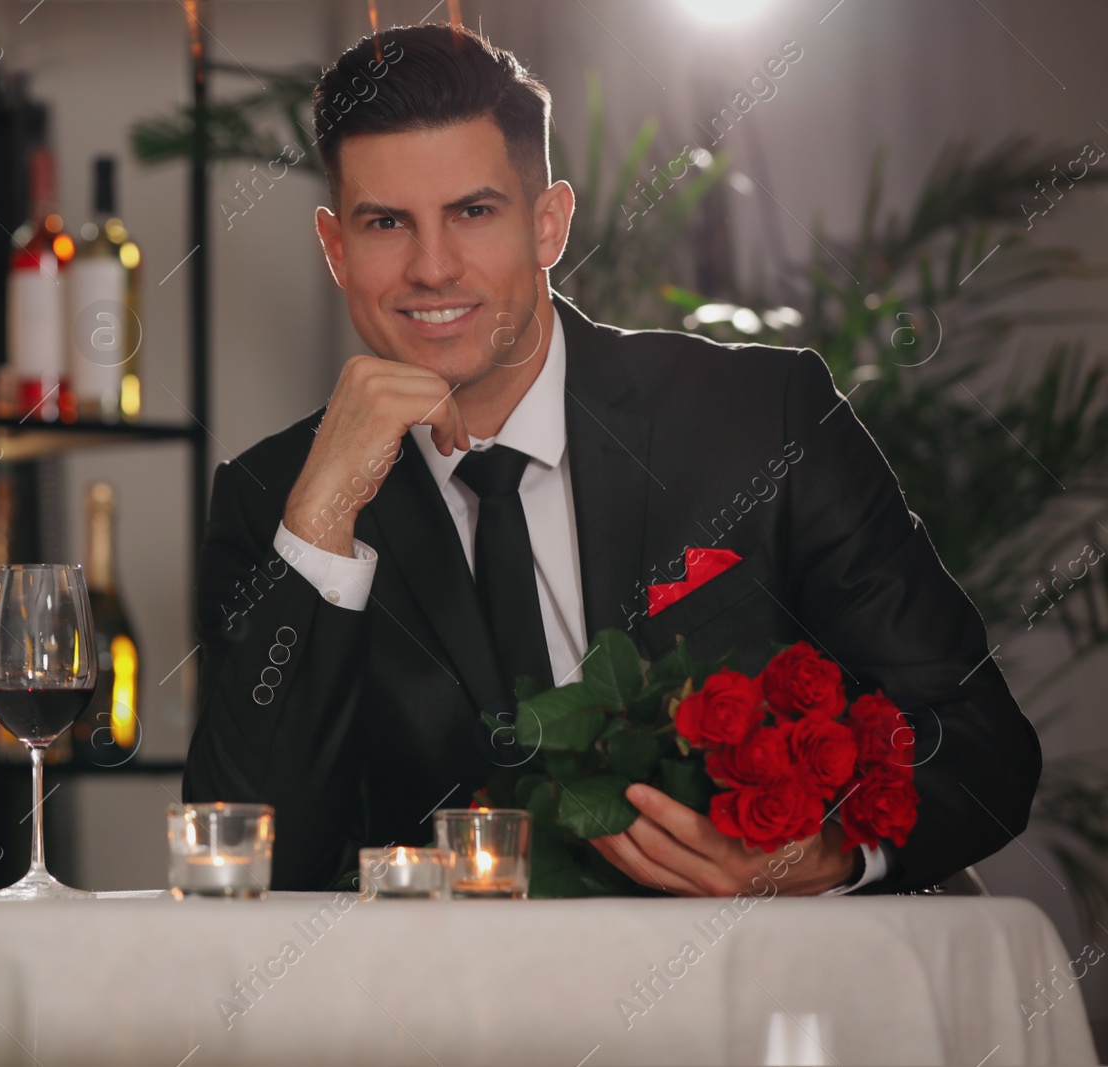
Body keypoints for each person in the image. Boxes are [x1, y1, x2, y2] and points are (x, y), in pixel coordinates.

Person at [182, 23, 1040, 896]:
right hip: (454, 1018)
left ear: (549, 224)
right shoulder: (272, 501)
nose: (431, 267)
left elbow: (980, 739)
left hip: (757, 999)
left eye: (473, 212)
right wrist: (320, 522)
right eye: (386, 223)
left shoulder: (761, 420)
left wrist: (820, 855)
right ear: (336, 248)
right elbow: (248, 859)